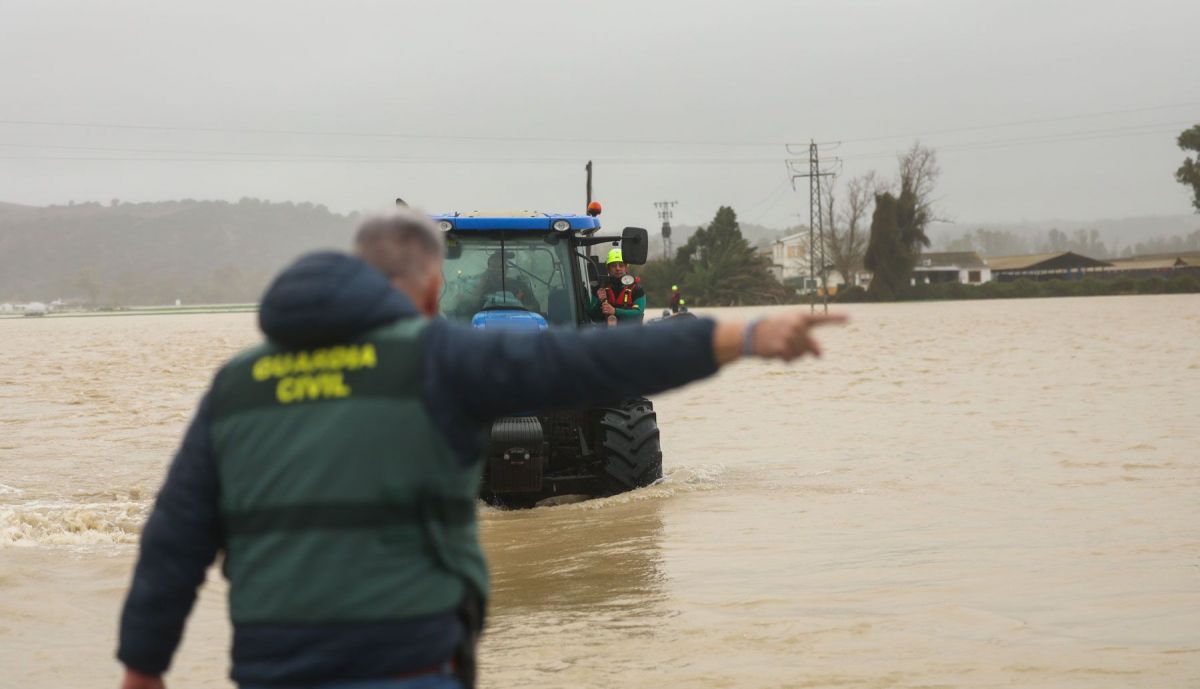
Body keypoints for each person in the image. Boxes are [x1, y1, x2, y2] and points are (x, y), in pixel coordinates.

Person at [116, 210, 844, 689]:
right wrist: (741, 336)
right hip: (407, 661)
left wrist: (142, 669)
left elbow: (173, 537)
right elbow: (595, 364)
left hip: (271, 666)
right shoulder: (437, 358)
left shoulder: (238, 384)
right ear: (433, 291)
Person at [588, 248, 646, 324]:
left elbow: (638, 314)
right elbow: (592, 316)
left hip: (631, 334)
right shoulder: (599, 289)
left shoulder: (637, 289)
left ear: (626, 267)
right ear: (608, 269)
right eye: (613, 266)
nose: (617, 268)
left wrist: (615, 311)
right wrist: (599, 302)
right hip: (606, 334)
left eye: (621, 265)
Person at [472, 250, 540, 314]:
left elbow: (535, 308)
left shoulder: (520, 286)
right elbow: (473, 306)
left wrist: (520, 309)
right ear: (488, 268)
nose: (496, 270)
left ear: (506, 268)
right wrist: (480, 286)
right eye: (493, 266)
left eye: (500, 266)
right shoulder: (482, 286)